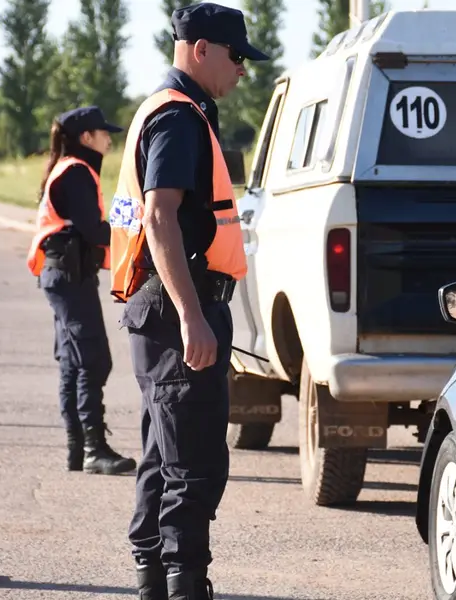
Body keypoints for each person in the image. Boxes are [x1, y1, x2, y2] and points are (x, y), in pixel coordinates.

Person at [105, 3, 269, 599]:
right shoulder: (178, 116)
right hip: (180, 306)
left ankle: (155, 579)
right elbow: (159, 216)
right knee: (193, 466)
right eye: (236, 56)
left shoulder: (175, 109)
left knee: (164, 456)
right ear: (201, 49)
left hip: (165, 307)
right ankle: (183, 584)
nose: (242, 69)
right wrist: (192, 316)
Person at [27, 106, 137, 477]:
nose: (109, 140)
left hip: (63, 275)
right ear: (86, 137)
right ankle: (94, 450)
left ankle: (78, 449)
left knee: (73, 363)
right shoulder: (76, 172)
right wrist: (134, 227)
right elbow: (93, 230)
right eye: (103, 133)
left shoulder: (69, 168)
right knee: (93, 360)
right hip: (69, 277)